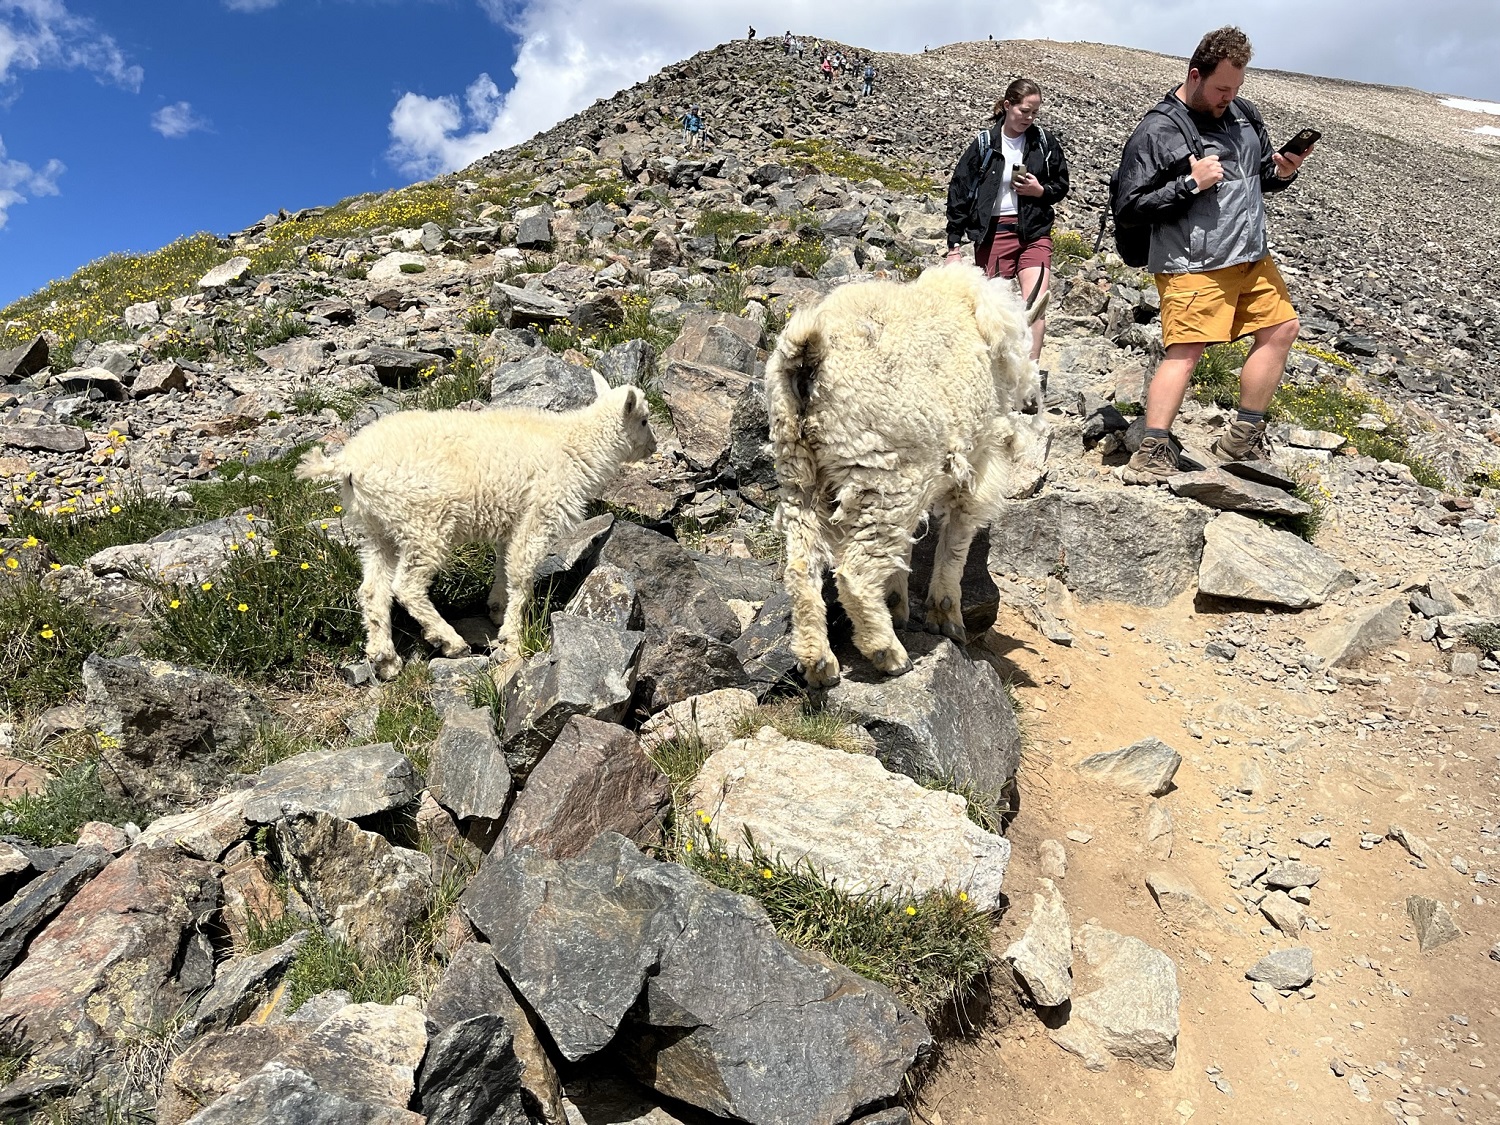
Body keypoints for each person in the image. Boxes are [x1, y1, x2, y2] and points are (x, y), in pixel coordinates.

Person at [1117, 26, 1313, 484]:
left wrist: (1282, 171)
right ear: (1195, 75)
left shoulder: (1244, 114)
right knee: (1186, 350)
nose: (1230, 96)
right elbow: (1128, 207)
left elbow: (1260, 174)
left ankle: (1242, 438)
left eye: (1237, 87)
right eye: (1223, 88)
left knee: (1282, 327)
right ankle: (1152, 449)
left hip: (1249, 253)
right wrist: (1190, 183)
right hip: (1194, 262)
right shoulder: (1158, 129)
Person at [944, 77, 1069, 361]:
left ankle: (1030, 376)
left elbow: (1061, 185)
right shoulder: (985, 143)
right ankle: (998, 372)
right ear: (1008, 105)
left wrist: (1039, 191)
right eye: (1025, 111)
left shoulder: (1044, 143)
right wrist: (954, 245)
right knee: (993, 310)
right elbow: (960, 191)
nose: (1029, 118)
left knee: (1035, 303)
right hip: (994, 234)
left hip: (1034, 233)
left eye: (1035, 113)